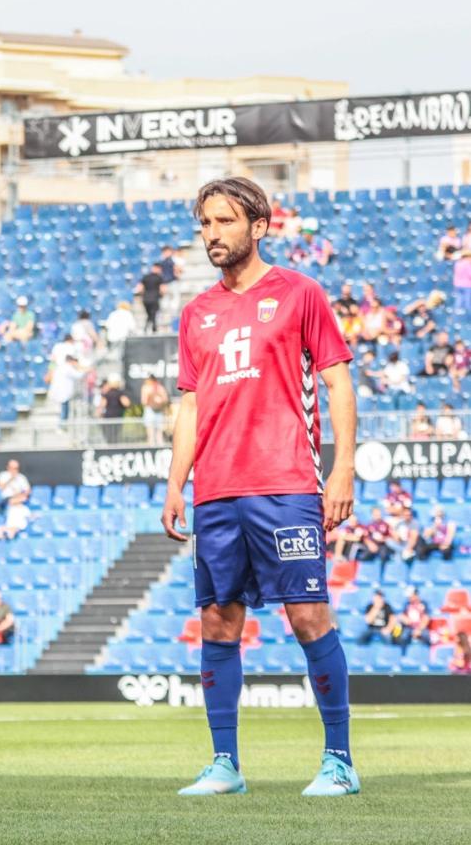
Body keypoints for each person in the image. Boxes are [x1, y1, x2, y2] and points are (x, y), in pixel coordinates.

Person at [162, 176, 359, 798]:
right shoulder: (196, 314)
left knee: (307, 615)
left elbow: (338, 385)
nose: (211, 234)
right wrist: (175, 483)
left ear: (258, 226)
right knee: (218, 622)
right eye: (205, 224)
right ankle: (224, 765)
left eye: (223, 222)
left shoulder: (300, 294)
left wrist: (344, 467)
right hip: (216, 492)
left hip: (286, 485)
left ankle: (339, 762)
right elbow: (190, 408)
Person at [0, 459, 33, 541]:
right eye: (12, 468)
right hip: (5, 500)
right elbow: (1, 487)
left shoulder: (21, 477)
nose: (15, 470)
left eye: (16, 468)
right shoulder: (3, 475)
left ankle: (9, 531)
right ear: (8, 468)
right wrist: (11, 479)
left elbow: (28, 491)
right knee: (12, 501)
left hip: (18, 498)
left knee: (21, 500)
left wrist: (19, 495)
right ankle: (7, 531)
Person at [397, 588, 431, 654]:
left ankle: (428, 655)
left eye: (410, 596)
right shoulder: (406, 604)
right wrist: (404, 619)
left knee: (427, 636)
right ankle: (402, 655)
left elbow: (426, 618)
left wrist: (419, 629)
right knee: (402, 636)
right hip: (409, 627)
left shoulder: (423, 604)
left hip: (421, 628)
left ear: (415, 595)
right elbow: (401, 616)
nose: (409, 598)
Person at [99, 378, 131, 444]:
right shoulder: (120, 394)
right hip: (117, 418)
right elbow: (127, 404)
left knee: (109, 436)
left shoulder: (107, 394)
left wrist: (99, 415)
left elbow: (101, 407)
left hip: (109, 418)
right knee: (115, 436)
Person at [141, 377, 171, 446]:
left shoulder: (146, 388)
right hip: (157, 411)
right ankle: (159, 448)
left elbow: (144, 401)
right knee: (158, 434)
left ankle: (153, 449)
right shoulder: (160, 387)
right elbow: (165, 399)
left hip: (151, 411)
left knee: (151, 434)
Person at [138, 263, 165, 332]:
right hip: (154, 298)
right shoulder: (159, 278)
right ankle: (153, 328)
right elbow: (162, 289)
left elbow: (140, 288)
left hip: (146, 299)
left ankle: (146, 328)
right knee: (153, 314)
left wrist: (143, 295)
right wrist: (161, 295)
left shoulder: (145, 277)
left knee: (149, 314)